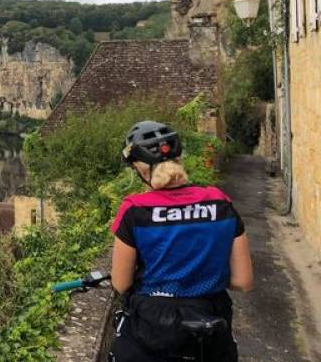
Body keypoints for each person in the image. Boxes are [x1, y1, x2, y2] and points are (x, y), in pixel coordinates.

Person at [108, 121, 253, 362]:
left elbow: (121, 283)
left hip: (152, 330)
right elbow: (243, 281)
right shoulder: (220, 203)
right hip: (210, 328)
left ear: (141, 170)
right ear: (178, 159)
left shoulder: (135, 210)